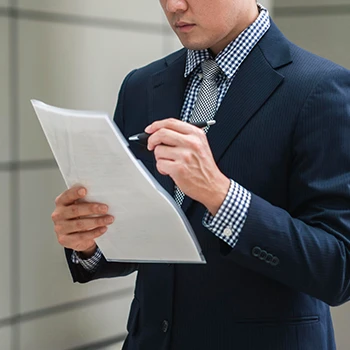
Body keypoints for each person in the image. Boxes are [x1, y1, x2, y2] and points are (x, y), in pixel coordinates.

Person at [52, 0, 350, 349]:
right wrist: (90, 241)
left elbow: (338, 268)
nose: (174, 5)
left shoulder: (321, 88)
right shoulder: (141, 85)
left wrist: (221, 196)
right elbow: (139, 242)